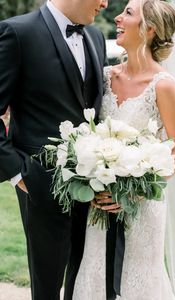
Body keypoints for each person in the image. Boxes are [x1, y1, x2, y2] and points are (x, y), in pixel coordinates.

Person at [72, 0, 175, 299]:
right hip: (100, 202)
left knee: (137, 279)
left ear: (149, 28)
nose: (116, 16)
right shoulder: (104, 76)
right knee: (95, 271)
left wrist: (135, 190)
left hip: (142, 206)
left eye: (128, 12)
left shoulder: (162, 85)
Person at [0, 0, 108, 299]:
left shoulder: (96, 37)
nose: (105, 4)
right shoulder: (17, 32)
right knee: (46, 286)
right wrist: (17, 173)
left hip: (94, 188)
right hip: (39, 184)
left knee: (85, 279)